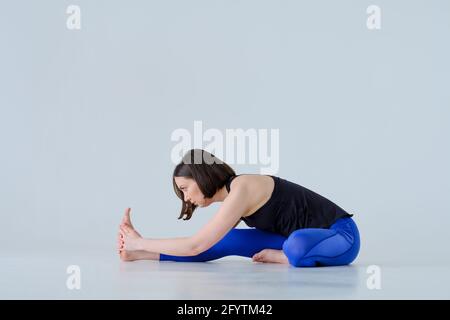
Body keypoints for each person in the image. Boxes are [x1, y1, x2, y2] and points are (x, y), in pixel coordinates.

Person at [118, 149, 360, 267]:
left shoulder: (242, 187)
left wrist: (142, 240)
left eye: (184, 188)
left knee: (296, 244)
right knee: (228, 238)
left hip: (341, 236)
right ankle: (142, 254)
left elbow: (195, 245)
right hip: (289, 239)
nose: (186, 198)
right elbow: (204, 245)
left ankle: (287, 256)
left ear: (201, 177)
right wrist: (142, 252)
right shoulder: (233, 197)